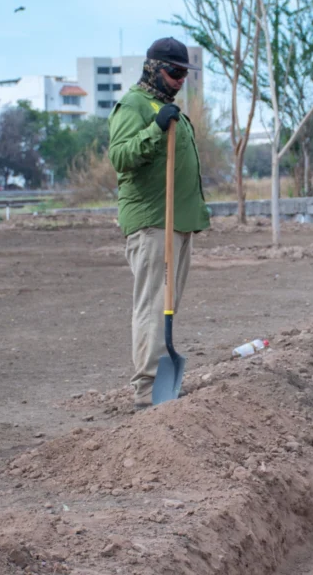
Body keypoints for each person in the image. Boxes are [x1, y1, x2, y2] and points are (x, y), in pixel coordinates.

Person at [108, 37, 208, 409]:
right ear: (153, 68)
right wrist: (154, 128)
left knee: (167, 305)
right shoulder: (134, 105)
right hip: (153, 222)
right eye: (174, 72)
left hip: (177, 222)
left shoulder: (165, 107)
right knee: (152, 305)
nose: (181, 79)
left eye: (185, 73)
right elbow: (120, 156)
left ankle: (159, 380)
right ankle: (148, 389)